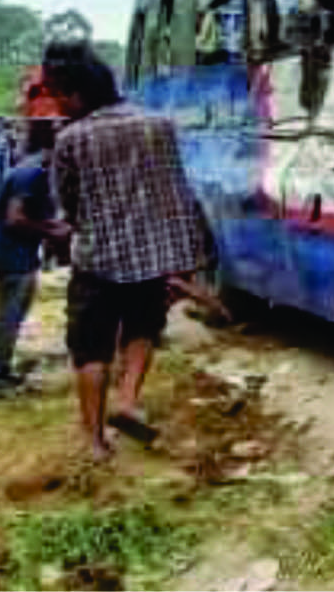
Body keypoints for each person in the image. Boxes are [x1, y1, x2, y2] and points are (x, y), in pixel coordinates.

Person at [46, 49, 213, 460]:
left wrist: (81, 223)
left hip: (97, 262)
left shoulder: (71, 138)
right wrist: (184, 257)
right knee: (142, 330)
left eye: (59, 95)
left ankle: (95, 442)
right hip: (152, 258)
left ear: (78, 94)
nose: (57, 104)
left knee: (91, 351)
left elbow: (68, 202)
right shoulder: (160, 125)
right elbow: (175, 191)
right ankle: (126, 401)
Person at [0, 118, 69, 398]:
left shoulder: (32, 169)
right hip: (13, 257)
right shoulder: (31, 173)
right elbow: (15, 218)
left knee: (11, 317)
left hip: (14, 254)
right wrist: (51, 231)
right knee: (9, 319)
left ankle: (1, 371)